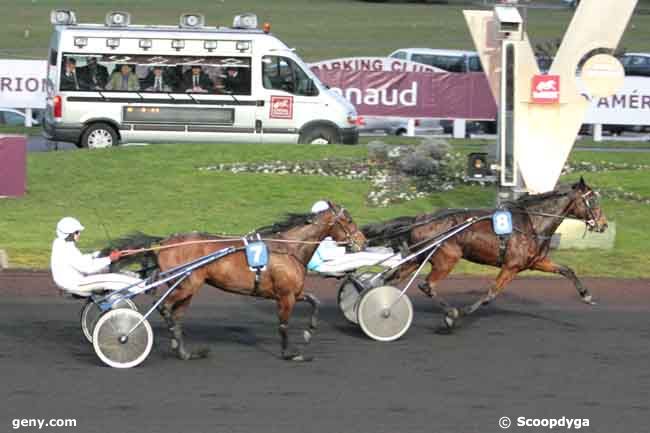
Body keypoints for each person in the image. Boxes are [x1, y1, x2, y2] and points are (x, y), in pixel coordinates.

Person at [50, 217, 143, 297]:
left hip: (72, 278)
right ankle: (143, 286)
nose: (79, 234)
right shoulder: (67, 249)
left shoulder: (60, 243)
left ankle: (137, 278)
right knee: (110, 278)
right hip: (75, 283)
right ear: (69, 234)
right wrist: (109, 259)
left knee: (107, 269)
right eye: (77, 232)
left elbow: (81, 260)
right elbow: (88, 268)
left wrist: (98, 254)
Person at [306, 201, 397, 275]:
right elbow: (326, 255)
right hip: (323, 264)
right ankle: (395, 262)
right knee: (363, 256)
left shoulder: (325, 227)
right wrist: (347, 250)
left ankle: (391, 253)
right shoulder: (317, 230)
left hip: (331, 259)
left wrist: (347, 247)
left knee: (365, 251)